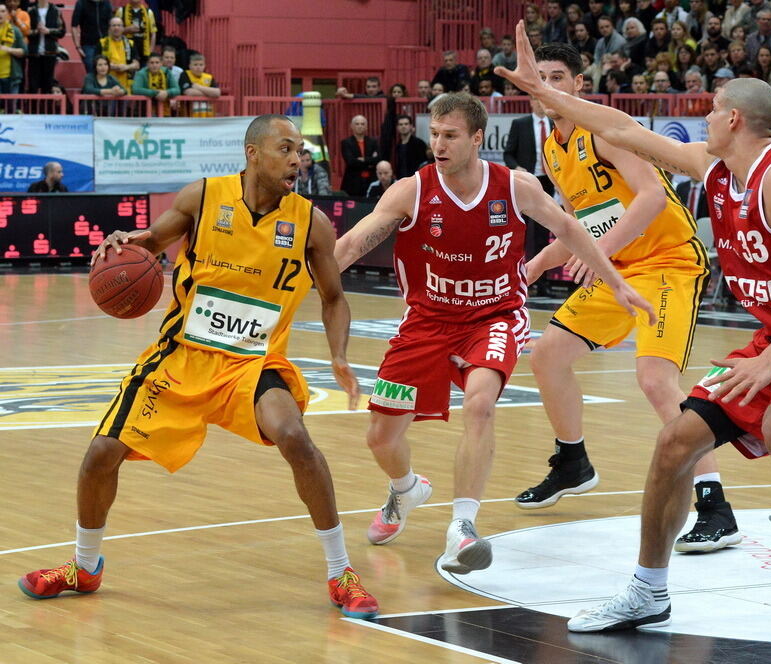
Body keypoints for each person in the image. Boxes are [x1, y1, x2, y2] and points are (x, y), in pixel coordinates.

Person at [499, 20, 771, 650]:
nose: (704, 120)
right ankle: (647, 589)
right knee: (673, 442)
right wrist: (545, 95)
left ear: (735, 119)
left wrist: (770, 360)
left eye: (712, 111)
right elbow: (621, 128)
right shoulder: (714, 169)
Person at [17, 115, 379, 620]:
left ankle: (341, 572)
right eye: (286, 148)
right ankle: (84, 566)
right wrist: (124, 242)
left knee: (294, 436)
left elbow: (335, 297)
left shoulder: (311, 222)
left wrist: (339, 355)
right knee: (101, 453)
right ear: (254, 153)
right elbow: (148, 243)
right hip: (183, 355)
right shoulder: (202, 198)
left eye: (301, 150)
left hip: (252, 363)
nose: (298, 159)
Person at [334, 92, 654, 576]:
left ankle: (462, 528)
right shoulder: (411, 189)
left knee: (480, 403)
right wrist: (297, 285)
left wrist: (615, 280)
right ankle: (405, 489)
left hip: (494, 316)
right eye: (434, 135)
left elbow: (569, 228)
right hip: (426, 321)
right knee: (381, 438)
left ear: (477, 138)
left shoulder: (515, 186)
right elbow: (356, 240)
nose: (438, 145)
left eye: (450, 136)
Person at [512, 43, 739, 554]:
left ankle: (716, 506)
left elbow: (654, 196)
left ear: (577, 86)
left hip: (669, 262)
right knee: (548, 355)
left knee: (655, 379)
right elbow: (575, 228)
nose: (545, 85)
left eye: (556, 76)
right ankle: (572, 461)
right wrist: (531, 268)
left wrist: (601, 256)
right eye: (538, 76)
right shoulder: (551, 148)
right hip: (619, 269)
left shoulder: (601, 132)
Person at [504, 96, 555, 296]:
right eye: (537, 99)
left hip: (547, 182)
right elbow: (508, 154)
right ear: (532, 102)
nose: (541, 103)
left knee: (544, 233)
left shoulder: (554, 124)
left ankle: (543, 284)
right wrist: (517, 168)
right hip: (525, 182)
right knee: (520, 233)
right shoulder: (520, 124)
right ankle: (515, 280)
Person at [26, 0, 65, 94]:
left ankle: (46, 108)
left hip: (50, 53)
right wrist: (36, 31)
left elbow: (62, 31)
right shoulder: (30, 10)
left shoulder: (55, 10)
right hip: (34, 53)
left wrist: (49, 31)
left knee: (48, 84)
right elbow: (25, 31)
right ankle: (33, 108)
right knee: (33, 84)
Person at [339, 114, 380, 197]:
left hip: (370, 180)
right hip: (353, 182)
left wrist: (363, 159)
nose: (360, 126)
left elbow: (377, 159)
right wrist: (369, 162)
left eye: (362, 124)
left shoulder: (373, 142)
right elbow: (350, 161)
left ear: (366, 127)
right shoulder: (346, 143)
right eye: (357, 124)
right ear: (352, 126)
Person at [98, 16, 137, 92]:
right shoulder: (102, 43)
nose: (116, 28)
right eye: (114, 25)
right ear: (109, 28)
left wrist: (126, 67)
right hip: (107, 83)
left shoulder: (130, 43)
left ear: (123, 28)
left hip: (126, 82)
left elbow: (136, 64)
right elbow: (96, 63)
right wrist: (114, 67)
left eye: (119, 25)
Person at [72, 0, 113, 72]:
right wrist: (78, 47)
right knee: (91, 71)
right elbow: (74, 26)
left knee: (106, 72)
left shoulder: (107, 3)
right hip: (88, 45)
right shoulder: (81, 3)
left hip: (105, 44)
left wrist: (110, 42)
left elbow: (110, 24)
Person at [114, 0, 155, 66]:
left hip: (144, 52)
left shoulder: (148, 12)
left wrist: (151, 52)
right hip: (126, 51)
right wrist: (127, 30)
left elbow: (153, 34)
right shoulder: (121, 11)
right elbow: (113, 31)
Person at [0, 2, 26, 94]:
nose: (0, 14)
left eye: (3, 11)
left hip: (11, 78)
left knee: (11, 108)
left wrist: (7, 49)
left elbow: (24, 52)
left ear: (7, 13)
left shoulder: (15, 31)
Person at [393, 115, 428, 180]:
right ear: (397, 127)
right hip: (401, 180)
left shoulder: (419, 143)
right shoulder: (397, 145)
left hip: (416, 179)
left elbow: (425, 164)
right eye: (400, 124)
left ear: (411, 126)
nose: (403, 126)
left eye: (406, 124)